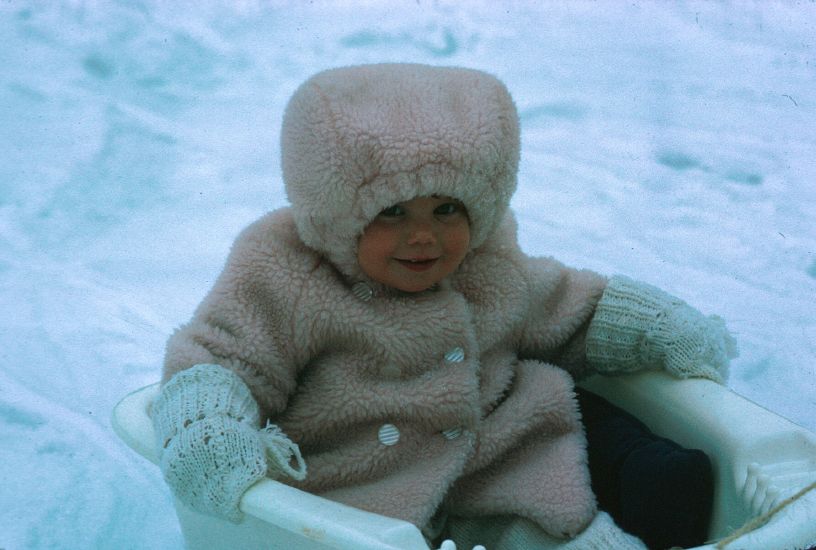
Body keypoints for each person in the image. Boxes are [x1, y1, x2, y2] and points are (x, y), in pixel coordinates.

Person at [152, 63, 737, 549]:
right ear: (333, 208)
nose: (423, 236)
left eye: (447, 210)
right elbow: (226, 356)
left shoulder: (487, 264)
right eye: (392, 212)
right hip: (356, 490)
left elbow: (567, 306)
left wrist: (656, 325)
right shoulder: (287, 272)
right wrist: (207, 428)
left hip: (500, 464)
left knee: (567, 524)